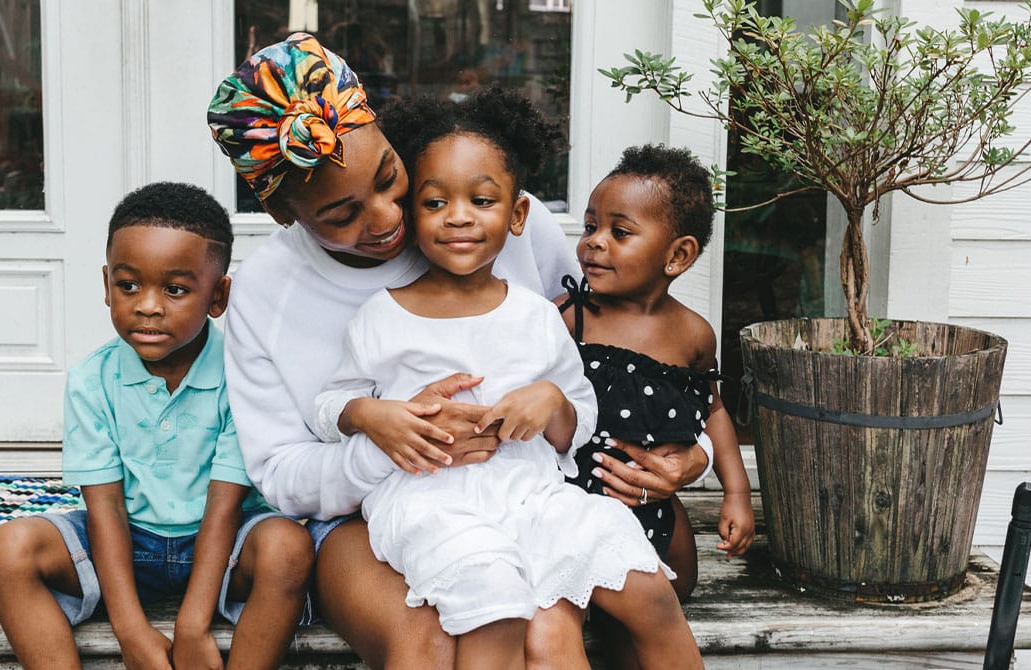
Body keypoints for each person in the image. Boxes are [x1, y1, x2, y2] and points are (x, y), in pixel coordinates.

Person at [207, 33, 710, 668]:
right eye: (342, 215)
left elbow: (616, 352)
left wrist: (697, 452)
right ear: (283, 213)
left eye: (391, 177)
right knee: (435, 638)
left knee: (591, 611)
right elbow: (280, 473)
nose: (390, 217)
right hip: (366, 514)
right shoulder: (267, 293)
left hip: (527, 490)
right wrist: (387, 444)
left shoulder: (494, 220)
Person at [0, 182, 314, 670]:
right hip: (124, 545)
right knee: (6, 550)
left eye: (175, 289)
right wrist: (132, 630)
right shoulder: (93, 380)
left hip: (227, 550)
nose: (148, 306)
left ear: (219, 295)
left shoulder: (244, 375)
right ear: (105, 284)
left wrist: (192, 626)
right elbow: (106, 509)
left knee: (289, 547)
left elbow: (224, 507)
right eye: (128, 285)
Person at [558, 144, 755, 663]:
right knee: (601, 624)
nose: (594, 243)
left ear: (677, 255)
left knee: (659, 611)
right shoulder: (570, 318)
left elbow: (713, 411)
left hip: (656, 513)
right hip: (576, 508)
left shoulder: (692, 334)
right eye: (589, 226)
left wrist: (737, 493)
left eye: (619, 233)